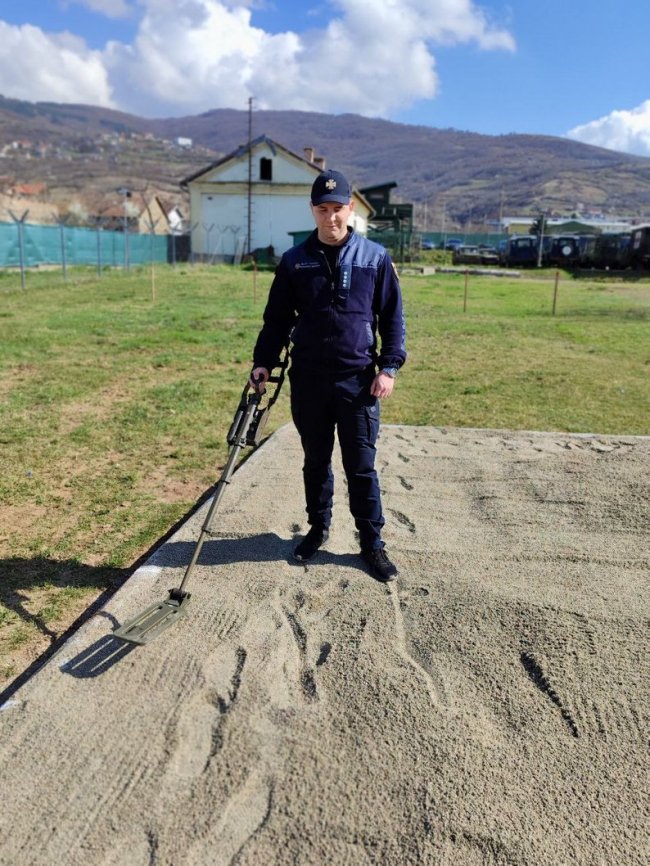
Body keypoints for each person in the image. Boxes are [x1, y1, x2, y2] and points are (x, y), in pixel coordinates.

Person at [249, 169, 406, 582]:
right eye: (323, 209)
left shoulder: (374, 257)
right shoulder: (294, 262)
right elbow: (276, 320)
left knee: (361, 466)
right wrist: (263, 361)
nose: (331, 217)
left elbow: (392, 318)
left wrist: (388, 367)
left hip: (358, 382)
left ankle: (372, 544)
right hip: (309, 382)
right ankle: (317, 530)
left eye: (338, 209)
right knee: (315, 462)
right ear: (313, 211)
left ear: (350, 209)